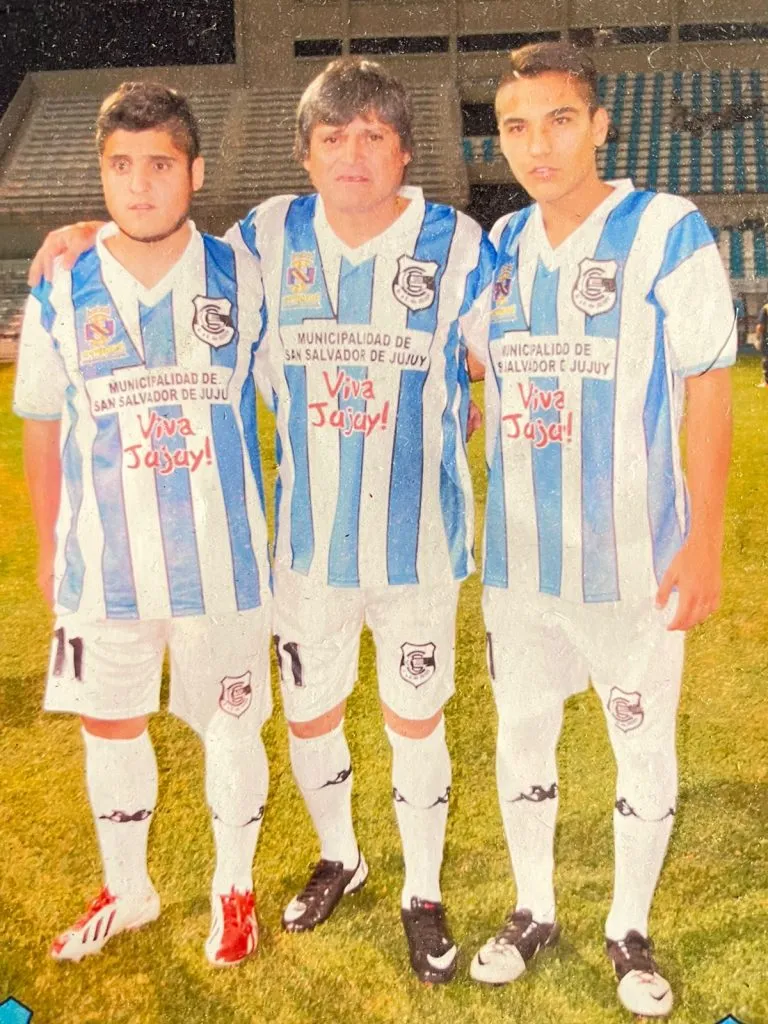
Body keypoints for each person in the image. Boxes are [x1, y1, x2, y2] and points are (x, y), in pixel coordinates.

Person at [30, 59, 492, 983]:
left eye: (372, 137)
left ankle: (423, 893)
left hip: (418, 548)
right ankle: (338, 857)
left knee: (415, 718)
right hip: (303, 553)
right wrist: (82, 231)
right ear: (304, 154)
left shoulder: (462, 243)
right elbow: (147, 243)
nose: (352, 155)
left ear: (405, 149)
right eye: (332, 138)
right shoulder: (266, 241)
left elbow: (497, 362)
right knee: (310, 715)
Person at [471, 43, 735, 1017]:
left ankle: (629, 926)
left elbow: (709, 385)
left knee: (641, 747)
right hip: (522, 570)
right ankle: (533, 907)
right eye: (515, 126)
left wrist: (702, 539)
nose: (537, 144)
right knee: (523, 743)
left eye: (557, 120)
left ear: (598, 124)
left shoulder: (668, 229)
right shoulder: (497, 250)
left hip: (636, 565)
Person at [15, 82, 273, 967]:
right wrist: (49, 549)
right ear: (100, 175)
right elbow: (42, 425)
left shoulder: (247, 275)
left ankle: (232, 890)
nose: (139, 185)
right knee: (109, 726)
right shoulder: (59, 284)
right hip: (105, 566)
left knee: (233, 726)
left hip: (225, 565)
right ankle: (129, 889)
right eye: (120, 167)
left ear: (194, 172)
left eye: (159, 164)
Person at [755, 298, 768, 386]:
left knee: (766, 359)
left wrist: (757, 338)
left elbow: (760, 326)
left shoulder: (766, 308)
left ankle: (766, 382)